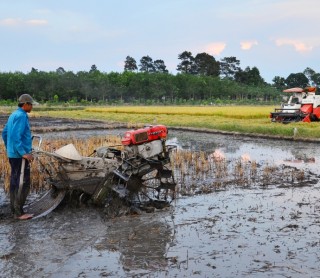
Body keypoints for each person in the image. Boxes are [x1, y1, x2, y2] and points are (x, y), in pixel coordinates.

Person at [2, 93, 38, 220]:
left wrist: (10, 148)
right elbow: (16, 137)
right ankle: (19, 213)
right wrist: (23, 153)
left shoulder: (13, 115)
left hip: (13, 154)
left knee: (15, 180)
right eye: (31, 104)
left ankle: (14, 209)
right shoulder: (21, 116)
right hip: (20, 156)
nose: (32, 106)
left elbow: (5, 133)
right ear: (26, 104)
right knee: (23, 182)